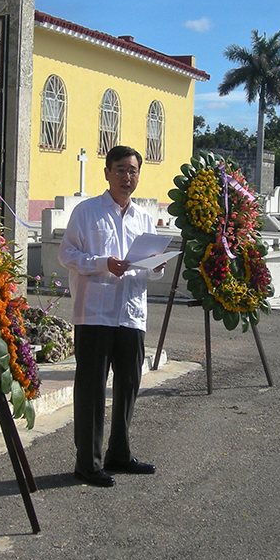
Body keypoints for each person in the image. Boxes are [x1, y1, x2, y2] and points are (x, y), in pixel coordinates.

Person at [58, 145, 164, 487]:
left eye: (132, 171)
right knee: (91, 389)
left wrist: (157, 266)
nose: (126, 177)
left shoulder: (143, 218)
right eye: (120, 170)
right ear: (107, 173)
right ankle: (87, 463)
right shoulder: (87, 212)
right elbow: (67, 254)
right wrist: (103, 264)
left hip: (131, 314)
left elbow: (149, 267)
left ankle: (120, 452)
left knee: (129, 384)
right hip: (95, 313)